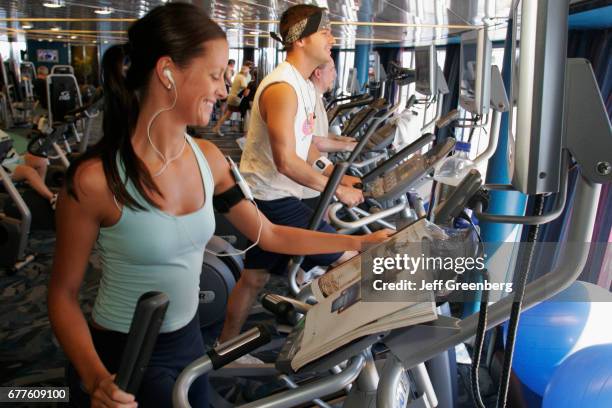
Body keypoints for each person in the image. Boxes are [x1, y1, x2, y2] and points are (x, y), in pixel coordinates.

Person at [47, 4, 390, 408]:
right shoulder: (95, 180)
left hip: (188, 339)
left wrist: (361, 245)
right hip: (124, 355)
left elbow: (269, 233)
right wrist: (94, 378)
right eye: (215, 76)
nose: (224, 91)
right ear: (168, 72)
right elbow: (62, 295)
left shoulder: (208, 159)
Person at [220, 4, 364, 343]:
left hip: (272, 193)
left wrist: (338, 177)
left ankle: (224, 346)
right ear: (300, 40)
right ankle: (325, 344)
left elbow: (306, 146)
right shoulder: (282, 88)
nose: (332, 37)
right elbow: (286, 160)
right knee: (350, 258)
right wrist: (338, 189)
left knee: (254, 278)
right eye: (324, 31)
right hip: (273, 198)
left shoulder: (298, 85)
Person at [303, 57, 358, 209]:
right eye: (332, 70)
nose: (335, 75)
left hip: (315, 177)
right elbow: (311, 140)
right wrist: (347, 147)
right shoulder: (309, 98)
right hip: (307, 180)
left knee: (325, 213)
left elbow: (320, 132)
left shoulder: (316, 97)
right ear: (318, 73)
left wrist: (343, 139)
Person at [0, 130, 57, 208]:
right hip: (3, 168)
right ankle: (52, 198)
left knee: (41, 160)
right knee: (29, 171)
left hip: (13, 159)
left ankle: (40, 189)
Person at [211, 60, 253, 136]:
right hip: (236, 99)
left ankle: (217, 127)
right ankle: (246, 134)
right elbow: (245, 88)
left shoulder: (238, 76)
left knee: (227, 115)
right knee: (247, 112)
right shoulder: (242, 78)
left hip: (232, 97)